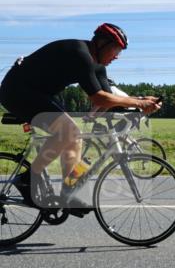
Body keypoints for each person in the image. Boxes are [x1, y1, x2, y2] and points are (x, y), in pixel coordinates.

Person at [0, 23, 161, 210]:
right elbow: (98, 97)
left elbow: (106, 103)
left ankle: (67, 194)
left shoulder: (98, 66)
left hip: (39, 93)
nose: (117, 56)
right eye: (116, 49)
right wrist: (139, 102)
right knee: (69, 132)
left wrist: (140, 105)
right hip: (16, 91)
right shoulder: (80, 55)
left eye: (120, 52)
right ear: (101, 43)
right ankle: (27, 180)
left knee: (75, 138)